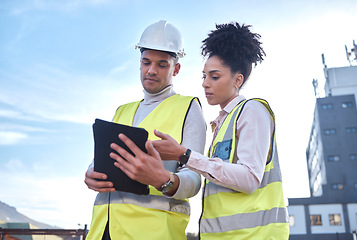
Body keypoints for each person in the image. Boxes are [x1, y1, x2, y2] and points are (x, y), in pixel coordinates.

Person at [112, 22, 289, 239]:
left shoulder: (252, 110)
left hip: (255, 235)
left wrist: (184, 155)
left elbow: (250, 179)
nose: (205, 84)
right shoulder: (223, 125)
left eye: (214, 77)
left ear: (237, 80)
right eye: (204, 76)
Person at [84, 20, 207, 240]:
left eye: (162, 64)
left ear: (176, 69)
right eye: (146, 62)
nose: (151, 70)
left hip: (152, 232)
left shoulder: (189, 108)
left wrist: (165, 180)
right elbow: (103, 159)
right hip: (103, 230)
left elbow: (196, 178)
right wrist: (92, 172)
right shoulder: (122, 111)